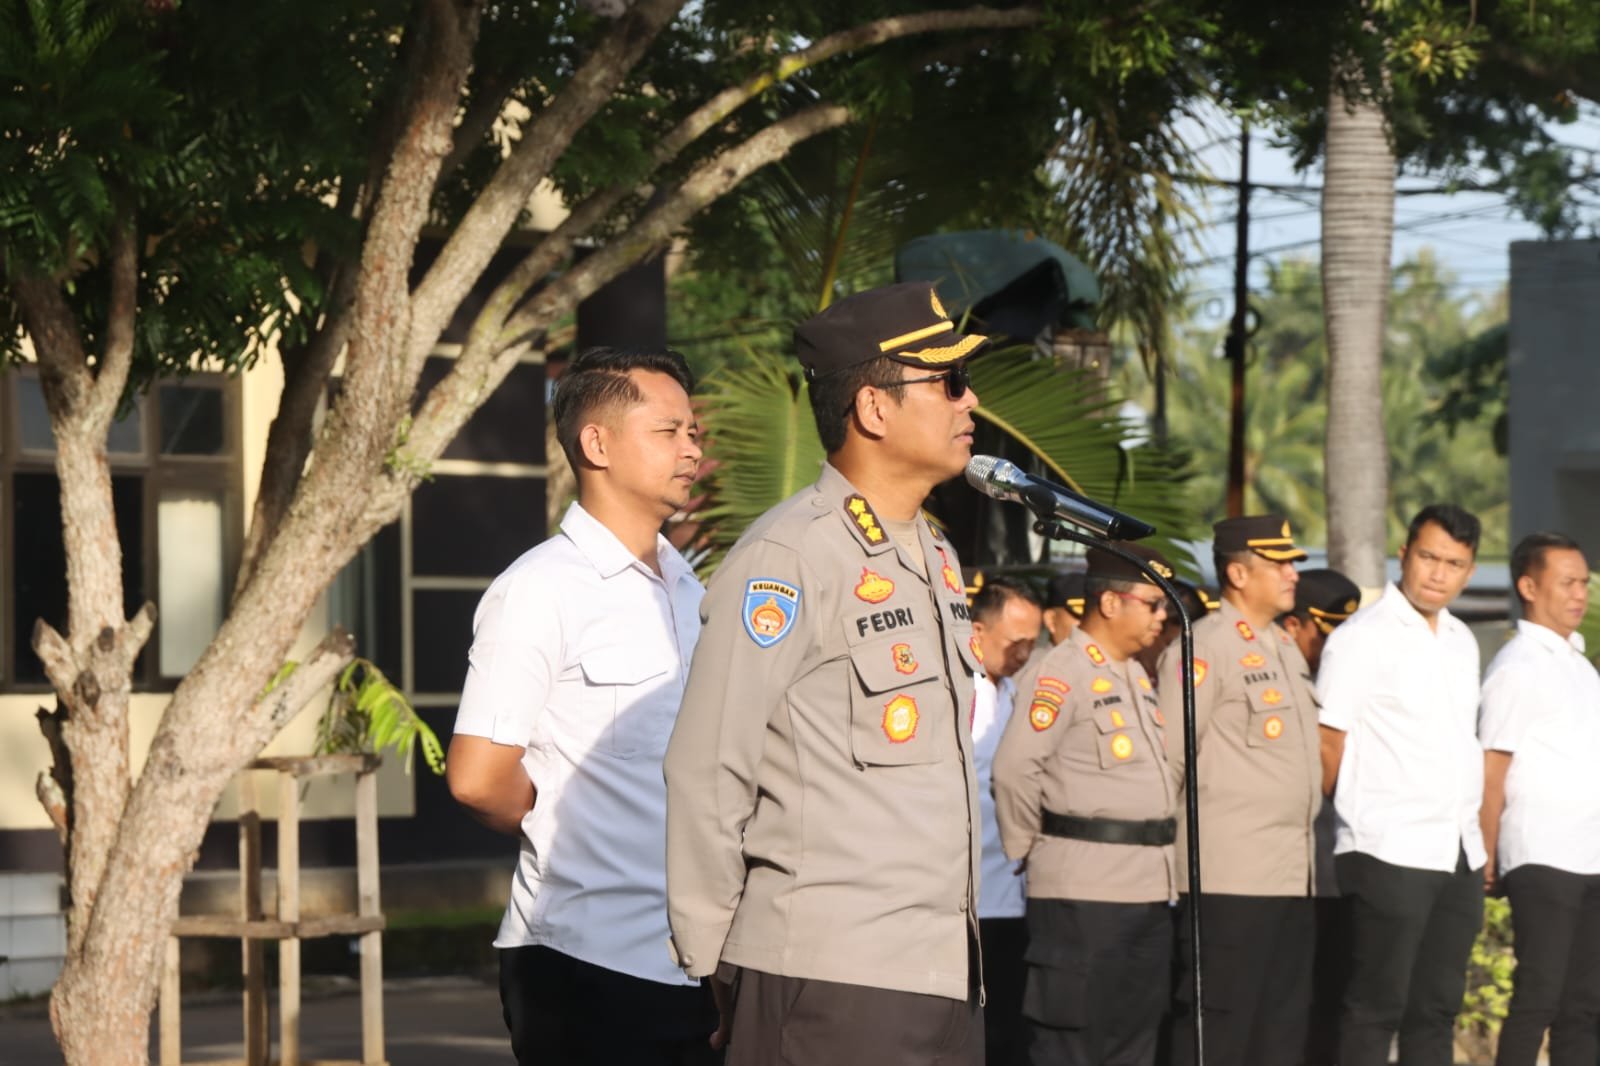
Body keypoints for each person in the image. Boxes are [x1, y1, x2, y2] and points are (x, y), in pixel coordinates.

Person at [663, 281, 989, 1066]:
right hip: (827, 980)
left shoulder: (935, 555)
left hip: (944, 972)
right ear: (874, 409)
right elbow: (709, 768)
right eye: (946, 383)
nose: (969, 401)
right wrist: (716, 966)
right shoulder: (789, 556)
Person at [446, 347, 716, 1066]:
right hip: (588, 960)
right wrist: (560, 814)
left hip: (696, 960)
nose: (691, 448)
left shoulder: (691, 590)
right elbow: (477, 776)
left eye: (694, 432)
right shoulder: (542, 588)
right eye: (669, 431)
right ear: (596, 443)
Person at [993, 543, 1180, 1066]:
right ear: (1111, 603)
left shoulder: (1139, 676)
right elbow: (1014, 771)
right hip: (1082, 892)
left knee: (1134, 1040)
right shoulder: (1061, 671)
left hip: (1148, 888)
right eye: (1153, 603)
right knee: (1072, 1044)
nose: (1163, 615)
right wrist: (1033, 851)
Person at [1317, 504, 1486, 1066]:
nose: (1438, 574)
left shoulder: (1462, 640)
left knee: (1436, 1009)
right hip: (1387, 847)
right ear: (1404, 554)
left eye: (1454, 563)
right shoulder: (1361, 637)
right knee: (1374, 1008)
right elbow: (1328, 743)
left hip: (1456, 852)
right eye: (1429, 557)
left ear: (1469, 570)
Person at [1159, 514, 1321, 1066]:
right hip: (1229, 879)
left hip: (1293, 875)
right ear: (1237, 572)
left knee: (1280, 1033)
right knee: (1221, 1032)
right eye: (1278, 563)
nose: (1292, 574)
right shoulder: (1204, 646)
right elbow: (1170, 760)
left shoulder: (1284, 646)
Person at [1479, 532, 1600, 1066]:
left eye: (1584, 583)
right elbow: (1491, 768)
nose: (1580, 595)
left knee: (1584, 1005)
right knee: (1539, 998)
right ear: (1529, 586)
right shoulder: (1517, 665)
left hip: (1589, 855)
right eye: (1567, 583)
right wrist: (1485, 852)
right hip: (1542, 855)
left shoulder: (1579, 664)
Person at [1276, 568, 1362, 1066]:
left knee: (1335, 1005)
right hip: (1288, 876)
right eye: (1325, 631)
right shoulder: (1274, 685)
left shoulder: (1348, 681)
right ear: (1293, 626)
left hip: (1342, 872)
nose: (1332, 645)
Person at [970, 577, 1045, 1066]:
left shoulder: (1022, 695)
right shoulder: (953, 694)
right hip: (969, 897)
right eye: (1013, 642)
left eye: (1031, 644)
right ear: (977, 631)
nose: (1022, 653)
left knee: (1011, 1032)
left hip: (1018, 894)